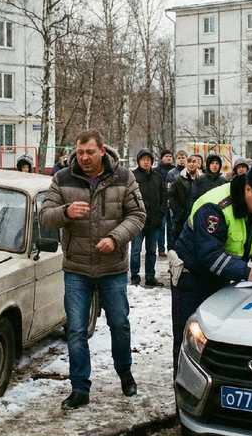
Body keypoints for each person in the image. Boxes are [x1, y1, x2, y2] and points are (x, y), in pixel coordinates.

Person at [38, 129, 145, 410]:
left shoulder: (123, 177)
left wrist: (116, 238)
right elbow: (45, 218)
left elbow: (138, 215)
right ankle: (79, 388)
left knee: (119, 324)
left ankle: (124, 372)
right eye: (80, 152)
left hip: (113, 268)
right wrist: (65, 213)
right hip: (77, 268)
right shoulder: (62, 178)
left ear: (102, 150)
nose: (84, 158)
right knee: (75, 330)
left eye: (89, 152)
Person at [171, 164, 252, 370]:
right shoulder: (214, 207)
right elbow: (209, 255)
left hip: (225, 278)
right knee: (189, 343)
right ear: (248, 189)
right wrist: (248, 272)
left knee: (220, 341)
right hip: (192, 280)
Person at [131, 149, 167, 287]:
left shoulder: (157, 177)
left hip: (154, 221)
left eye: (148, 159)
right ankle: (135, 276)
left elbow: (164, 195)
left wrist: (161, 212)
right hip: (138, 222)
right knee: (136, 251)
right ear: (139, 161)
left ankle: (150, 276)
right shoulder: (133, 176)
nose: (146, 162)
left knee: (152, 251)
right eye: (143, 159)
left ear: (151, 161)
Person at [169, 154, 203, 244]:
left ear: (198, 164)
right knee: (179, 241)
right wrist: (177, 211)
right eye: (189, 162)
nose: (191, 164)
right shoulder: (178, 179)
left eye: (194, 162)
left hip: (197, 215)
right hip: (181, 216)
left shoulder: (202, 179)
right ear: (186, 164)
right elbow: (172, 196)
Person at [155, 149, 176, 257]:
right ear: (162, 158)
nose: (169, 158)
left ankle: (171, 248)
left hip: (172, 202)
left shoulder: (174, 170)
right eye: (166, 156)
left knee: (171, 227)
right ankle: (161, 248)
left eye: (170, 156)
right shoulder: (157, 171)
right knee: (161, 227)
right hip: (161, 203)